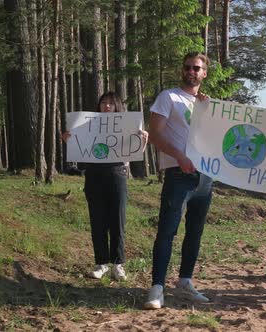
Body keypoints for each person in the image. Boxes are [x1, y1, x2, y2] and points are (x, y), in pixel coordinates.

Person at [144, 52, 214, 310]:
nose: (191, 72)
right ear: (181, 70)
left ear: (204, 73)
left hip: (205, 178)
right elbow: (155, 136)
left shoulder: (208, 105)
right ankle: (157, 288)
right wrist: (179, 157)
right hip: (177, 174)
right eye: (187, 67)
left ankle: (184, 283)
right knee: (167, 231)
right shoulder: (168, 97)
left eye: (197, 68)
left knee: (195, 233)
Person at [63, 91, 148, 281]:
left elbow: (133, 154)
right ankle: (101, 263)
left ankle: (118, 265)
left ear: (117, 107)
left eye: (110, 103)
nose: (106, 106)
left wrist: (143, 141)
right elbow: (79, 150)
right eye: (103, 103)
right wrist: (69, 140)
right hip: (93, 177)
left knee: (117, 221)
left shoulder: (126, 127)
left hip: (117, 176)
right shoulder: (87, 126)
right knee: (97, 221)